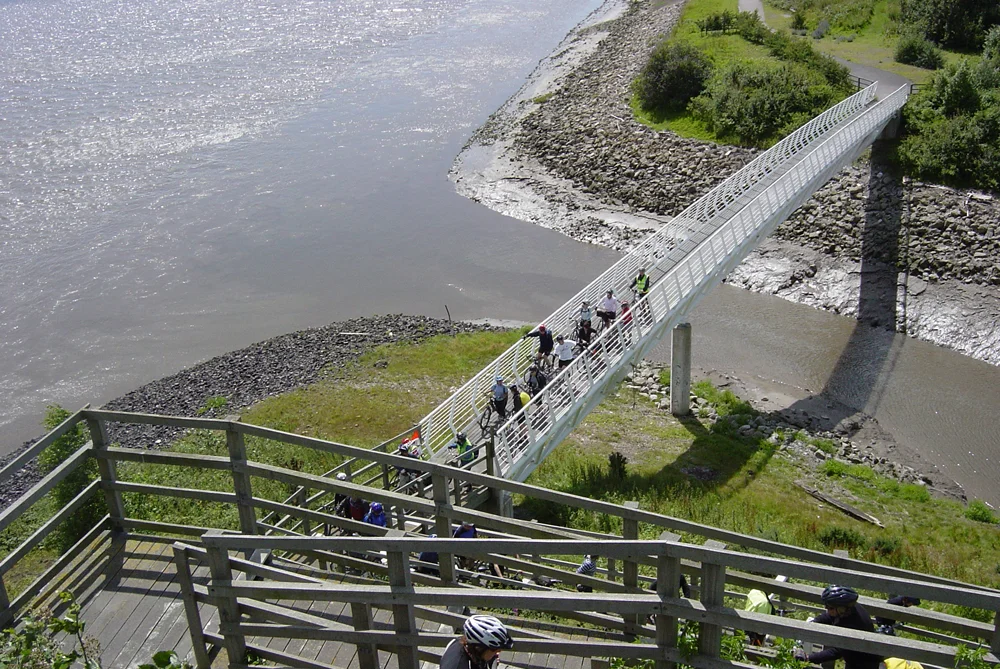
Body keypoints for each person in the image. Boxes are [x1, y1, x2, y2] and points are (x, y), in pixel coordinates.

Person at [794, 585, 882, 669]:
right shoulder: (848, 609)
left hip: (863, 663)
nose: (827, 610)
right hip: (853, 657)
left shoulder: (854, 625)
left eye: (830, 608)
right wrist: (814, 623)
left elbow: (837, 651)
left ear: (842, 608)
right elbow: (829, 616)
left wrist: (808, 658)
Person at [440, 614, 513, 669]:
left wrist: (490, 660)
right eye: (494, 649)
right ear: (478, 648)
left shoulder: (465, 645)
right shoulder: (458, 666)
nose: (499, 651)